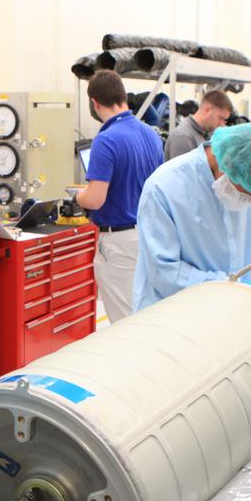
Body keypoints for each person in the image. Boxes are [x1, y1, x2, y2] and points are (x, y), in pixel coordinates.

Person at [134, 123, 251, 311]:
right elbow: (163, 271)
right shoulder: (164, 187)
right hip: (177, 311)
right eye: (245, 192)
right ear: (227, 162)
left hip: (236, 310)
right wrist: (230, 286)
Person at [72, 70, 164, 322]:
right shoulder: (151, 134)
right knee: (145, 311)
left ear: (94, 103)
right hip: (148, 235)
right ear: (123, 96)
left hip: (119, 243)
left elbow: (95, 199)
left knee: (125, 322)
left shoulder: (106, 140)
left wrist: (78, 197)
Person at [164, 89, 234, 160]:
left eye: (224, 120)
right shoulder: (183, 137)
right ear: (207, 110)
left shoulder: (208, 133)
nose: (222, 124)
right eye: (220, 118)